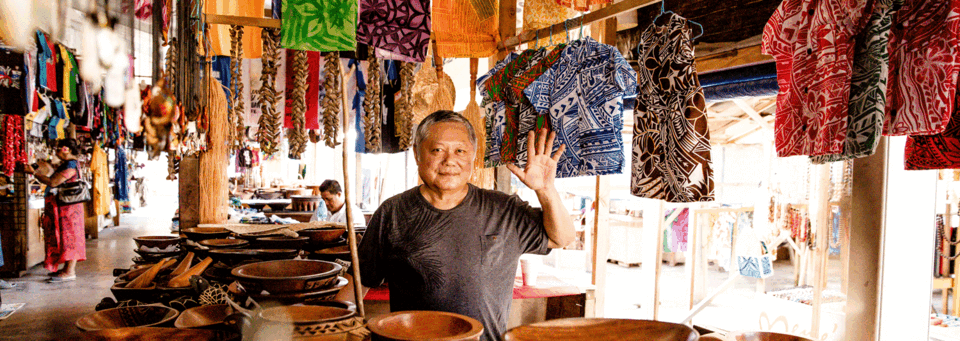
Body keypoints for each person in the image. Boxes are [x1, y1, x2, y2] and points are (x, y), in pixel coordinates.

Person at [338, 110, 575, 341]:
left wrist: (546, 191)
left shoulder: (504, 209)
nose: (450, 160)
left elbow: (561, 238)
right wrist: (331, 322)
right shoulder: (393, 212)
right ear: (417, 154)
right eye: (437, 150)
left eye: (460, 150)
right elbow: (360, 279)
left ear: (473, 155)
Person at [23, 139, 87, 282]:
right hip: (67, 206)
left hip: (70, 208)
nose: (56, 152)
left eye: (58, 149)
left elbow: (53, 182)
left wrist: (34, 173)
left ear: (66, 149)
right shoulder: (69, 164)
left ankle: (70, 272)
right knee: (65, 238)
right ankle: (66, 269)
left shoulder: (70, 165)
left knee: (70, 238)